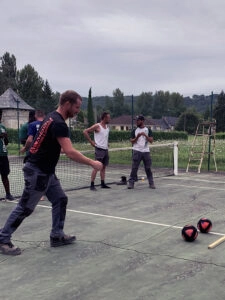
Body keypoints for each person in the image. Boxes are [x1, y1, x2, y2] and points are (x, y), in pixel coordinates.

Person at [0, 90, 103, 256]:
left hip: (45, 171)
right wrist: (92, 163)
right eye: (76, 107)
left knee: (60, 199)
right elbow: (69, 151)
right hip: (38, 171)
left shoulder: (50, 117)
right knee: (25, 207)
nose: (77, 110)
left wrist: (53, 151)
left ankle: (57, 235)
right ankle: (3, 238)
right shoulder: (59, 123)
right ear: (67, 104)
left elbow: (50, 144)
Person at [83, 112, 111, 191]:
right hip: (99, 149)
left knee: (104, 167)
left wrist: (107, 143)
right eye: (108, 118)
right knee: (96, 167)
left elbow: (104, 137)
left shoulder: (107, 127)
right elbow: (85, 132)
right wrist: (91, 142)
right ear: (104, 118)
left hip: (105, 150)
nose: (109, 119)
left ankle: (102, 183)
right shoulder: (97, 126)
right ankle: (92, 184)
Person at [127, 115, 156, 190]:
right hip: (137, 151)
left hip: (146, 151)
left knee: (148, 168)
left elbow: (151, 141)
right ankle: (131, 183)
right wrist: (138, 136)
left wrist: (145, 135)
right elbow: (132, 141)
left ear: (142, 121)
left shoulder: (148, 130)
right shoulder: (134, 131)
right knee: (134, 168)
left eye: (138, 120)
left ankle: (151, 183)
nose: (136, 122)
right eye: (136, 120)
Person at [0, 116, 14, 201]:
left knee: (5, 174)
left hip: (3, 154)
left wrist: (5, 137)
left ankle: (8, 194)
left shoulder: (3, 127)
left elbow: (6, 142)